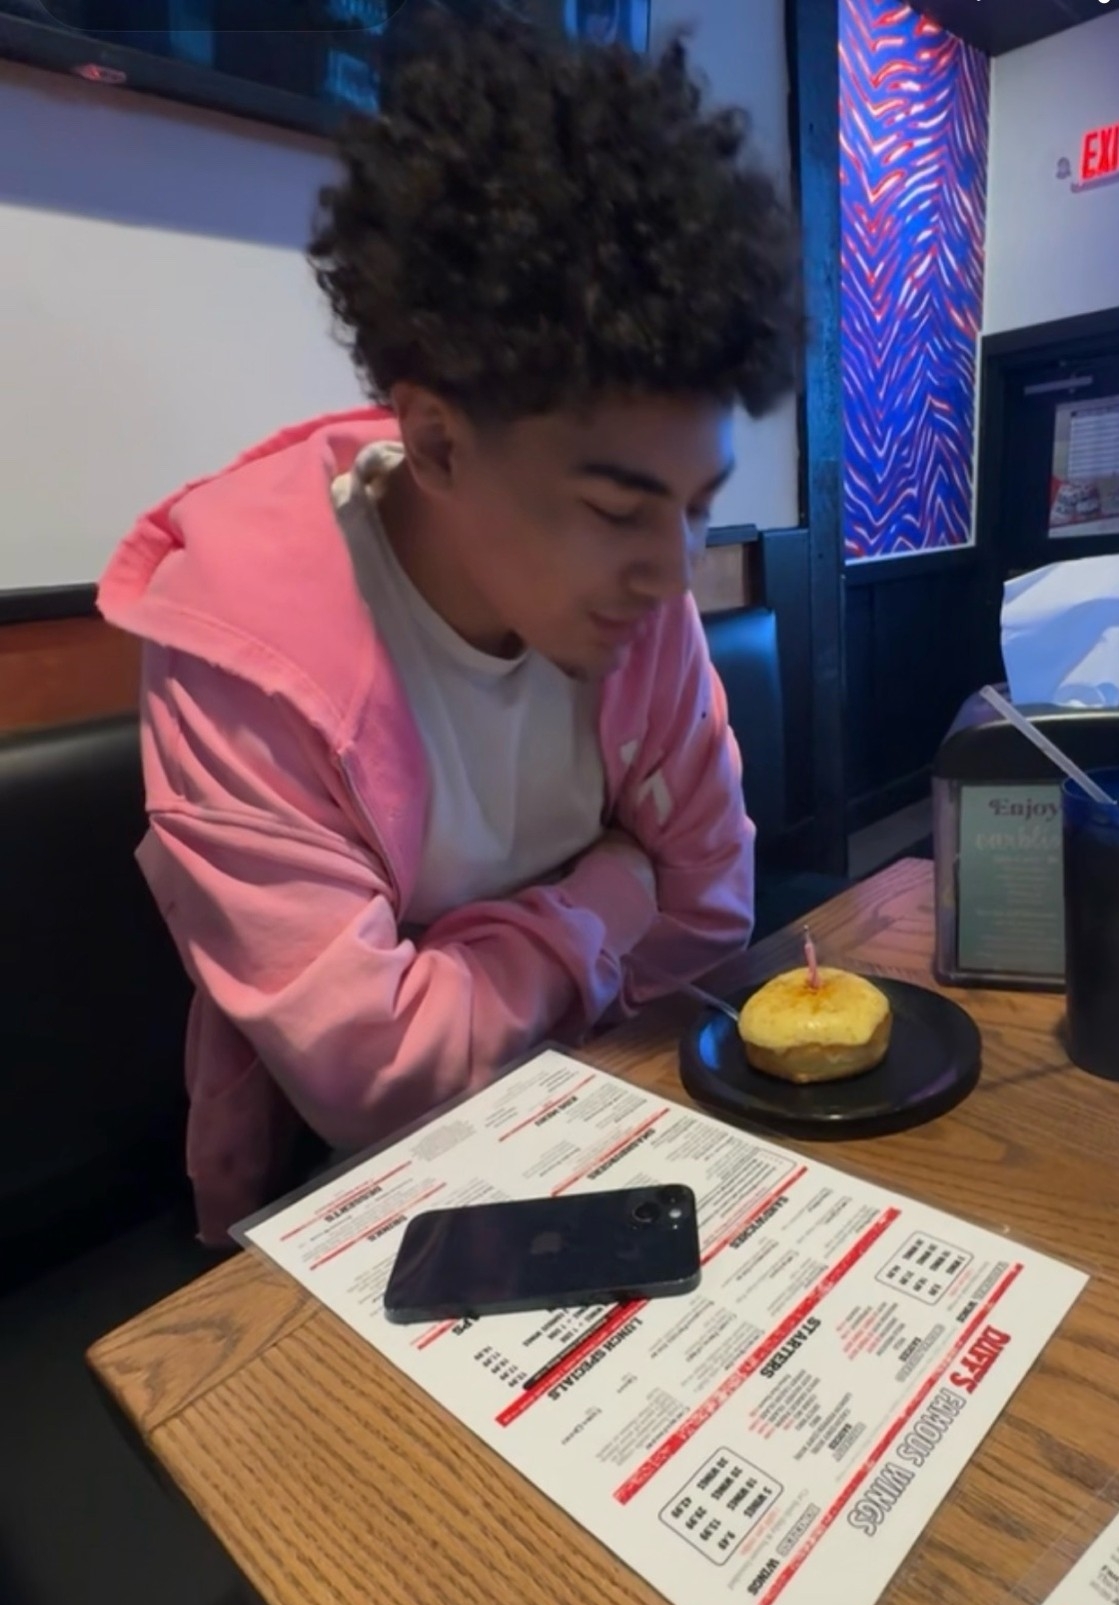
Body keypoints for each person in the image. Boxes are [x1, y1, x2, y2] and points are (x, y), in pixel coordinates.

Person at [99, 6, 799, 1244]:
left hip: (613, 1117)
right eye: (617, 509)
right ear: (434, 442)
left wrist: (461, 971)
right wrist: (609, 895)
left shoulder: (637, 600)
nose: (672, 571)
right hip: (366, 1208)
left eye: (697, 508)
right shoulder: (240, 660)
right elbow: (376, 1083)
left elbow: (714, 915)